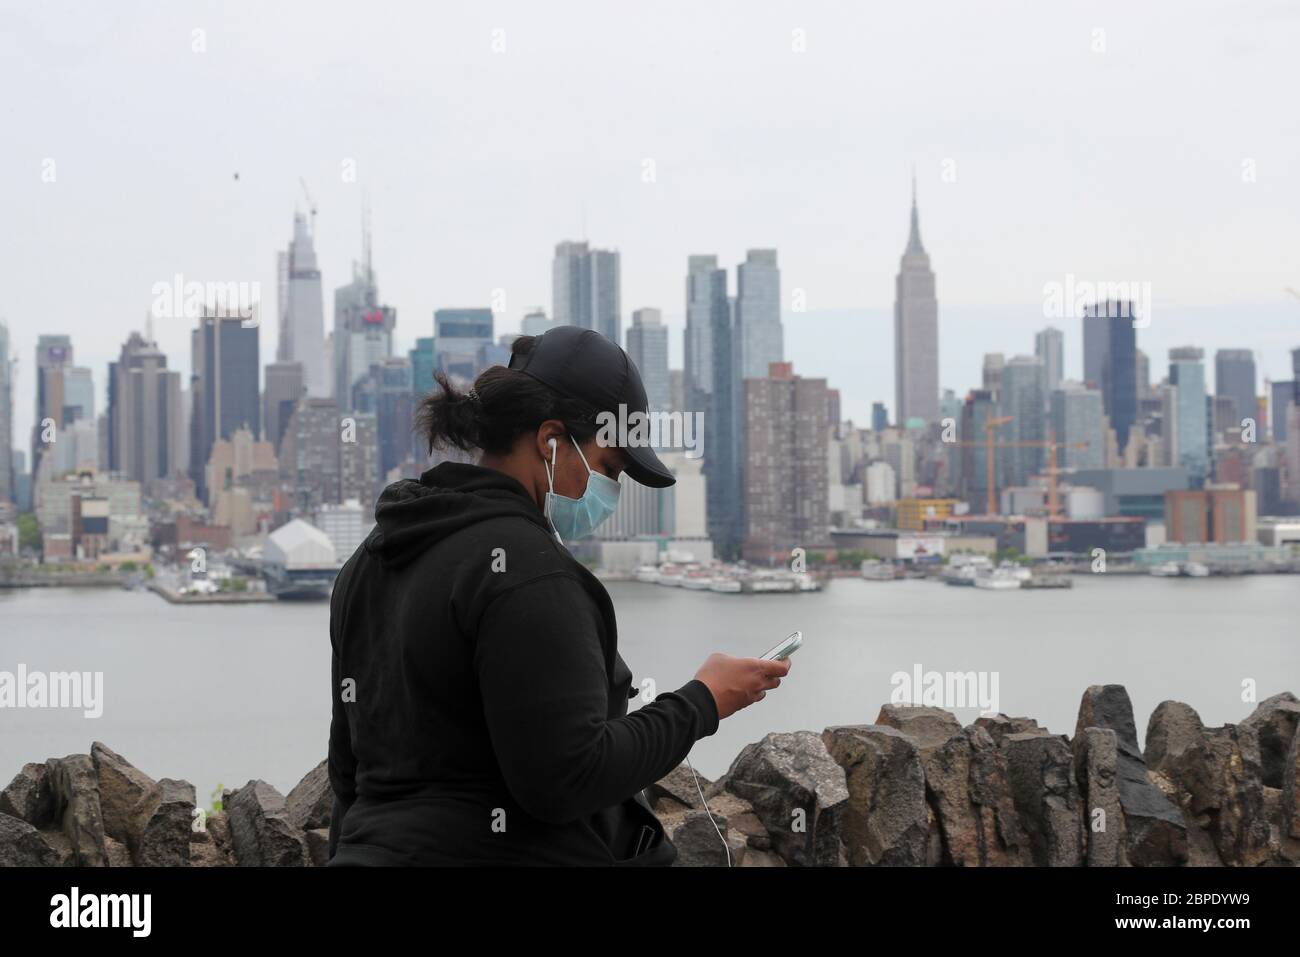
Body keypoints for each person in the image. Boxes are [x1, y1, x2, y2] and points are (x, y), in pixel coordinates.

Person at [327, 325, 790, 865]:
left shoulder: (372, 557)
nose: (609, 490)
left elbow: (348, 770)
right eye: (609, 467)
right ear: (550, 441)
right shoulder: (528, 571)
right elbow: (567, 777)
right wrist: (702, 702)